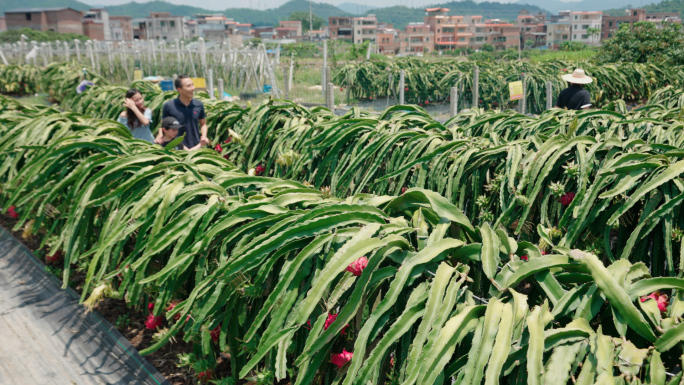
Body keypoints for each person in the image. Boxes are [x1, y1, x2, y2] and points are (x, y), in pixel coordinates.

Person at [157, 75, 209, 149]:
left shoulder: (198, 105)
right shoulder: (169, 106)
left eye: (192, 85)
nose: (193, 88)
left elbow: (203, 124)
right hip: (175, 147)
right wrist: (160, 135)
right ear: (179, 89)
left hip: (196, 146)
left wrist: (204, 135)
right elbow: (162, 125)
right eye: (188, 86)